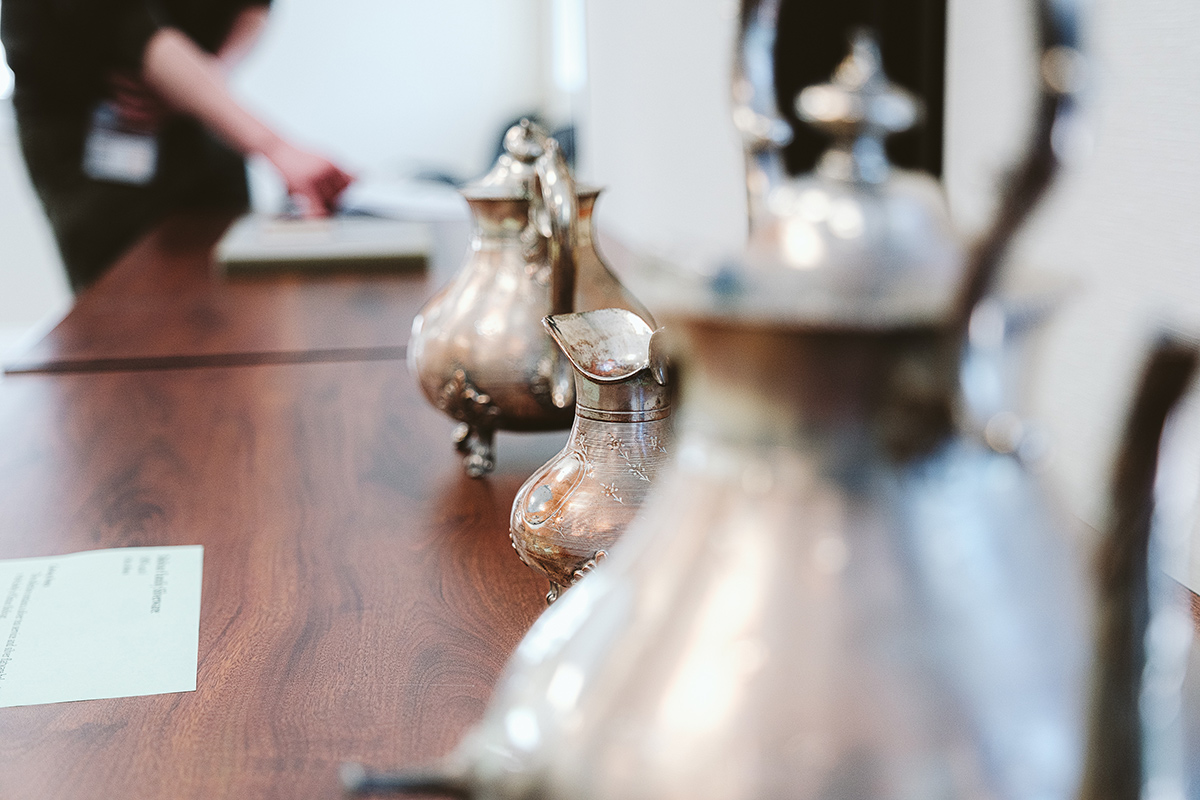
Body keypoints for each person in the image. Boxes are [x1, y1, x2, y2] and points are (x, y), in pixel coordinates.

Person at [1, 0, 353, 292]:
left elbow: (255, 5)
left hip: (198, 121)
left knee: (231, 284)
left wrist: (205, 77)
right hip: (91, 131)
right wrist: (277, 149)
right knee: (123, 298)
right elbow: (132, 27)